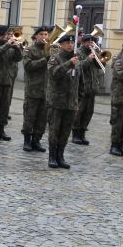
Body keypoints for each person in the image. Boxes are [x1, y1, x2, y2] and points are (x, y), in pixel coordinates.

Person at [46, 34, 80, 168]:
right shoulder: (55, 58)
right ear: (61, 44)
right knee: (55, 130)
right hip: (57, 101)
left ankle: (61, 155)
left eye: (72, 43)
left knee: (66, 131)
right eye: (67, 43)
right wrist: (68, 63)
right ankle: (52, 156)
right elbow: (54, 74)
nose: (70, 45)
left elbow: (79, 81)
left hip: (71, 101)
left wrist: (78, 99)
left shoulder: (77, 60)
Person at [0, 25, 23, 141]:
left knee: (5, 107)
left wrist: (17, 48)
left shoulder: (10, 46)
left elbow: (18, 59)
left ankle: (1, 130)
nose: (8, 36)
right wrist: (8, 45)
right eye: (6, 34)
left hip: (7, 80)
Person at [72, 34, 103, 146]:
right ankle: (75, 134)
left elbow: (100, 66)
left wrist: (99, 57)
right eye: (88, 42)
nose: (90, 44)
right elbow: (78, 66)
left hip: (92, 87)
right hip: (82, 87)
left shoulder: (94, 53)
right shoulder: (78, 52)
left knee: (88, 112)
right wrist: (89, 59)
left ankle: (82, 133)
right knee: (79, 111)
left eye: (92, 42)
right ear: (83, 42)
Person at [22, 26, 49, 152]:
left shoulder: (49, 50)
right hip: (33, 89)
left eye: (46, 34)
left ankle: (36, 140)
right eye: (42, 34)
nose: (44, 37)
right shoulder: (29, 50)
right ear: (36, 36)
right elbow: (28, 66)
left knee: (42, 118)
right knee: (30, 116)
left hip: (46, 90)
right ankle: (27, 141)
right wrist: (45, 60)